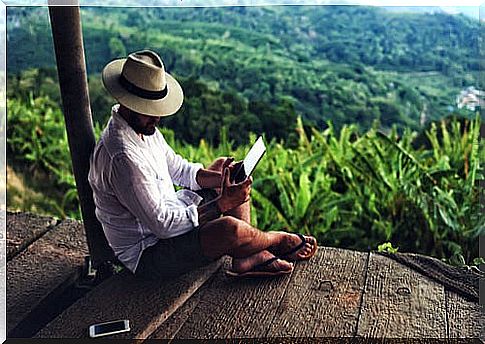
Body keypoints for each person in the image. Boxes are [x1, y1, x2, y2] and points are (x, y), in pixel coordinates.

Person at [88, 49, 318, 280]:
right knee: (230, 229)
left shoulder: (142, 128)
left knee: (221, 166)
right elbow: (163, 226)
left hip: (170, 216)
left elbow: (178, 169)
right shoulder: (123, 158)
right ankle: (276, 240)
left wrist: (224, 179)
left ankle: (245, 257)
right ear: (126, 102)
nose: (156, 118)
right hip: (149, 253)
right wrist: (221, 204)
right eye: (149, 111)